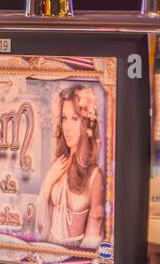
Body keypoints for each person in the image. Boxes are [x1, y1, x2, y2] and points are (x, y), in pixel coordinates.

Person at [32, 84, 106, 252]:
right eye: (64, 118)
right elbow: (41, 221)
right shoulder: (58, 163)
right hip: (47, 252)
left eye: (74, 118)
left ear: (87, 122)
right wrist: (48, 182)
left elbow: (94, 233)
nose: (67, 127)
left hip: (73, 260)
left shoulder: (95, 175)